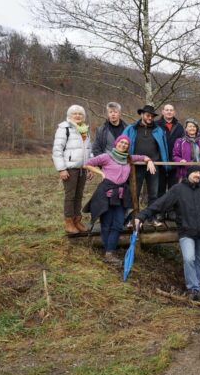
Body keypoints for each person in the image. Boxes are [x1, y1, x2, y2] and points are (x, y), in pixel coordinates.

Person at [135, 165, 200, 299]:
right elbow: (159, 204)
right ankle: (193, 287)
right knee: (189, 258)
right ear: (188, 173)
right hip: (186, 230)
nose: (198, 175)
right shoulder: (177, 190)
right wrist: (142, 216)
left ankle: (197, 287)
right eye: (195, 172)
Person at [84, 135, 155, 264]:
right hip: (106, 194)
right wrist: (101, 173)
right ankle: (109, 252)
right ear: (116, 144)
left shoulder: (128, 158)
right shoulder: (107, 156)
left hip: (121, 196)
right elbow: (87, 164)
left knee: (118, 224)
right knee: (106, 225)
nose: (123, 145)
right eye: (121, 142)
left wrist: (148, 160)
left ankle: (109, 252)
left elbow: (142, 157)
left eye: (126, 144)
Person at [122, 104, 170, 226]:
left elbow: (163, 147)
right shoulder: (131, 129)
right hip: (135, 166)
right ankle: (133, 218)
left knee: (153, 193)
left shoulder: (158, 130)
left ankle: (152, 217)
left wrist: (165, 163)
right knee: (134, 193)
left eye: (152, 116)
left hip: (154, 165)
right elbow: (122, 143)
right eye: (148, 115)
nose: (150, 118)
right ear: (142, 114)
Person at [53, 104, 93, 234]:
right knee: (70, 196)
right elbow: (57, 150)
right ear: (69, 116)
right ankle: (69, 222)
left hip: (83, 168)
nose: (77, 116)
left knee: (79, 195)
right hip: (70, 169)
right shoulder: (64, 128)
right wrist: (61, 169)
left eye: (80, 114)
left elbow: (89, 150)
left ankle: (77, 220)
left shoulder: (85, 130)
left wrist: (91, 167)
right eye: (75, 113)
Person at [156, 103, 184, 197]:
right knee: (160, 190)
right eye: (167, 110)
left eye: (171, 110)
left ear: (174, 112)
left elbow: (183, 145)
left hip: (174, 163)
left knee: (174, 189)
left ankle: (172, 211)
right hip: (159, 163)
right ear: (163, 112)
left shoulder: (179, 127)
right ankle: (161, 211)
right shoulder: (156, 125)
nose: (169, 112)